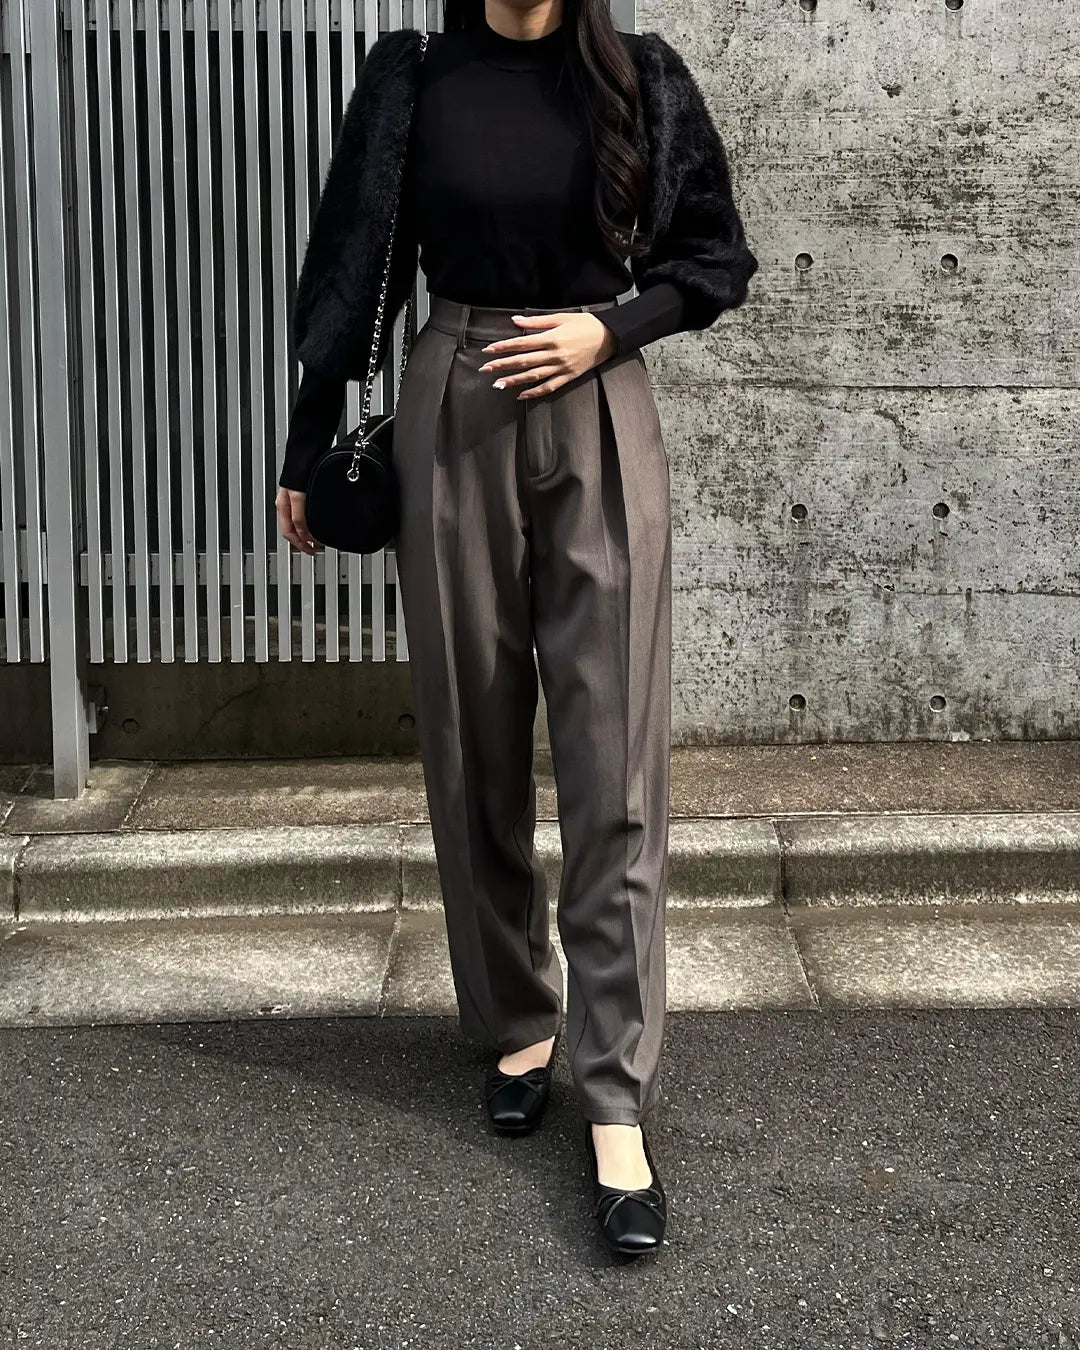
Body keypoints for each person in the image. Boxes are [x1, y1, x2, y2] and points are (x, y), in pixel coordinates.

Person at [276, 0, 757, 1257]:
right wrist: (307, 441)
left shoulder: (638, 77)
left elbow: (714, 261)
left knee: (616, 764)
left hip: (601, 408)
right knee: (472, 747)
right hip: (454, 405)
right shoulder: (414, 77)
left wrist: (612, 326)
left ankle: (615, 1095)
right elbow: (350, 268)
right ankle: (515, 1022)